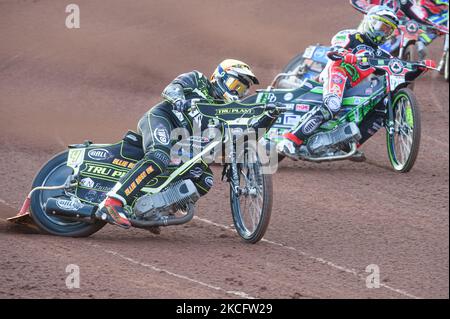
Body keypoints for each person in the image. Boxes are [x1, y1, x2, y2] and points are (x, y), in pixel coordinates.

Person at [95, 59, 259, 229]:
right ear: (220, 76)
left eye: (242, 89)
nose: (237, 92)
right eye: (235, 84)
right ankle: (111, 202)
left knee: (204, 179)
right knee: (158, 156)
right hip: (162, 119)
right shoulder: (198, 80)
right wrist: (179, 100)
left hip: (180, 145)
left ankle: (152, 211)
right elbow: (172, 88)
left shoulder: (225, 112)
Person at [278, 5, 400, 159]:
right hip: (337, 73)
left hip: (352, 85)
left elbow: (396, 66)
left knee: (380, 108)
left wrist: (419, 66)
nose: (384, 33)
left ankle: (346, 146)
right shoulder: (351, 35)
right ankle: (290, 141)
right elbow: (336, 47)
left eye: (389, 30)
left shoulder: (381, 54)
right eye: (382, 27)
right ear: (371, 22)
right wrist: (345, 54)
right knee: (333, 105)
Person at [351, 0, 448, 58]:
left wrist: (435, 26)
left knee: (410, 33)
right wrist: (369, 8)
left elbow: (417, 15)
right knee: (354, 46)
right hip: (371, 25)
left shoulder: (404, 1)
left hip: (395, 27)